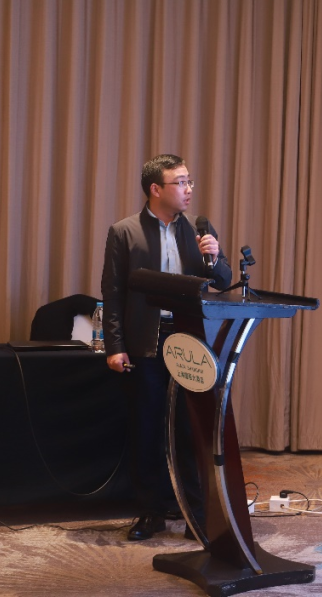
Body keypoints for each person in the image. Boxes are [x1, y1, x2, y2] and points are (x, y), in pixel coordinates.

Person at [101, 154, 232, 541]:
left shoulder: (198, 231)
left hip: (189, 341)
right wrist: (115, 345)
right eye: (181, 182)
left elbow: (223, 281)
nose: (189, 189)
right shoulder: (124, 232)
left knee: (190, 429)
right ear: (156, 189)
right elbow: (113, 293)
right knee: (147, 428)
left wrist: (214, 256)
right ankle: (151, 512)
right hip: (146, 342)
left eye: (190, 181)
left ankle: (195, 514)